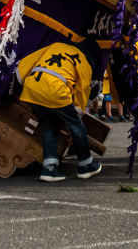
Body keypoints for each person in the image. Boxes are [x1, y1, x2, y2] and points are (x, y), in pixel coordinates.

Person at [17, 38, 103, 182]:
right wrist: (73, 122)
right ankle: (85, 165)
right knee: (76, 126)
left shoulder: (56, 45)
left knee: (50, 126)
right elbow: (80, 98)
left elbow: (24, 65)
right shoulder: (84, 63)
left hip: (32, 87)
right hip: (55, 89)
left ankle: (49, 169)